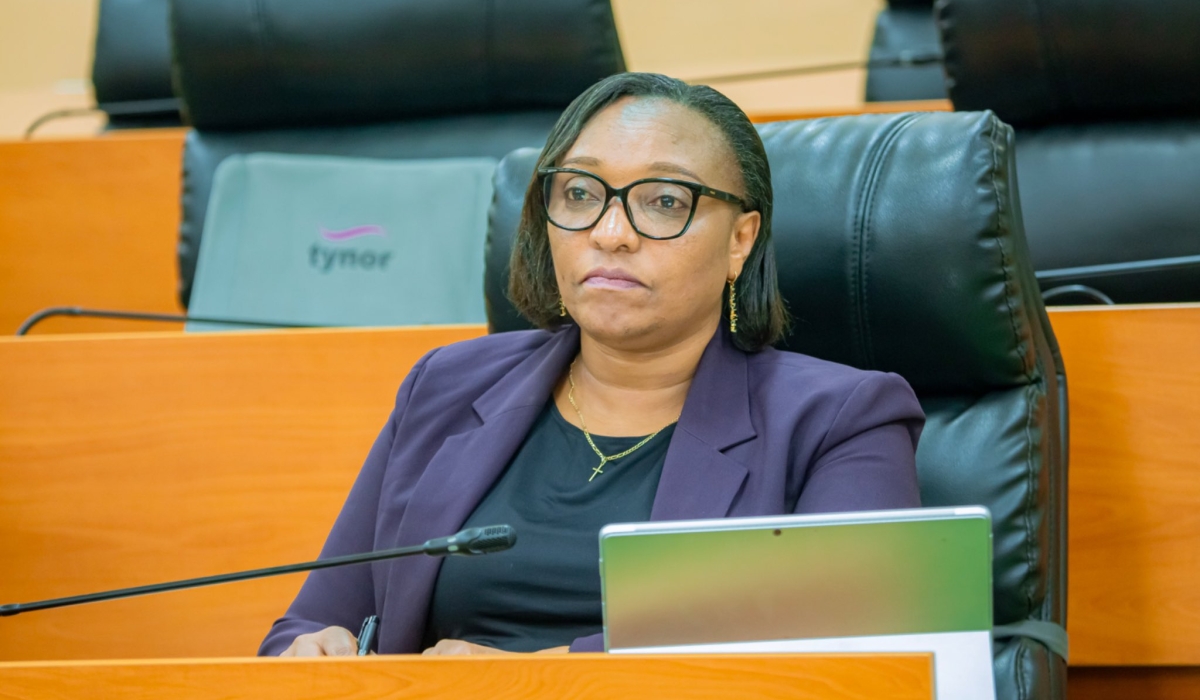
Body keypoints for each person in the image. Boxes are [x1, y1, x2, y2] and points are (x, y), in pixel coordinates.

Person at [260, 72, 923, 658]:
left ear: (740, 241)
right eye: (580, 194)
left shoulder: (840, 420)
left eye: (664, 200)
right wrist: (310, 649)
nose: (611, 232)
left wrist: (531, 679)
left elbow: (847, 648)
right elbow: (314, 619)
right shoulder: (447, 386)